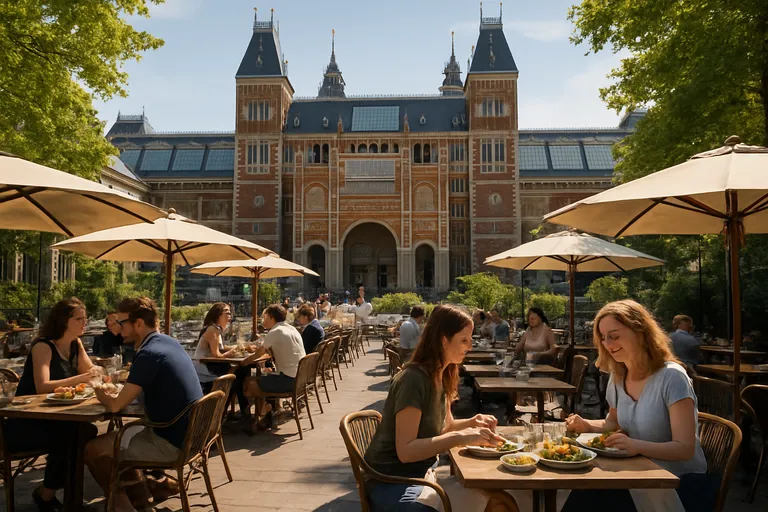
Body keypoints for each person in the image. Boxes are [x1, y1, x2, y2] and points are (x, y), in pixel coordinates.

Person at [564, 300, 712, 512]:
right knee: (588, 487)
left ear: (640, 332)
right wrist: (586, 425)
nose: (607, 343)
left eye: (614, 336)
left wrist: (635, 446)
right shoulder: (618, 375)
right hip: (636, 472)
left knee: (594, 494)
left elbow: (685, 448)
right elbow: (613, 423)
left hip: (677, 483)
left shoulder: (672, 377)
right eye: (603, 338)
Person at [364, 305, 508, 511]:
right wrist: (461, 437)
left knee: (498, 501)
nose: (470, 346)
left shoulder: (443, 374)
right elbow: (406, 451)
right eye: (464, 340)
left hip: (422, 473)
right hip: (391, 480)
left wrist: (471, 422)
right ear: (443, 340)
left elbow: (444, 428)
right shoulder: (413, 379)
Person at [84, 297, 203, 512]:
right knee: (122, 437)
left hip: (171, 442)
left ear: (138, 323)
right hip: (191, 435)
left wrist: (99, 390)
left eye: (121, 323)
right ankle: (142, 494)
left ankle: (122, 505)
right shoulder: (168, 342)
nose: (117, 330)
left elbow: (114, 406)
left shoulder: (148, 354)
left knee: (94, 449)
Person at [9, 297, 100, 510]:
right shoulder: (43, 346)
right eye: (79, 319)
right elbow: (43, 386)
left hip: (56, 418)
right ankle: (51, 495)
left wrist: (97, 372)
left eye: (84, 319)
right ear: (63, 321)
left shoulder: (75, 344)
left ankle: (57, 495)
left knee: (85, 431)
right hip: (25, 422)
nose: (83, 324)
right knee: (73, 436)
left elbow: (91, 371)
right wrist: (80, 378)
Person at [243, 304, 306, 432]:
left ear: (271, 317)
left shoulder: (275, 331)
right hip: (299, 379)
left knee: (250, 382)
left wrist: (243, 362)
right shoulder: (292, 329)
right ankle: (270, 412)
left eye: (265, 315)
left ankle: (258, 416)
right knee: (267, 375)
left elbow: (259, 353)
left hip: (288, 381)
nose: (263, 318)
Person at [192, 303, 253, 426]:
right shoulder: (212, 329)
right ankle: (240, 414)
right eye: (227, 312)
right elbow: (217, 354)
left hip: (212, 364)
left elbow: (222, 348)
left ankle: (234, 413)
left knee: (241, 373)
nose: (230, 316)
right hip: (204, 369)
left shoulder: (216, 329)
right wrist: (234, 351)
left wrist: (241, 347)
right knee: (238, 376)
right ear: (217, 315)